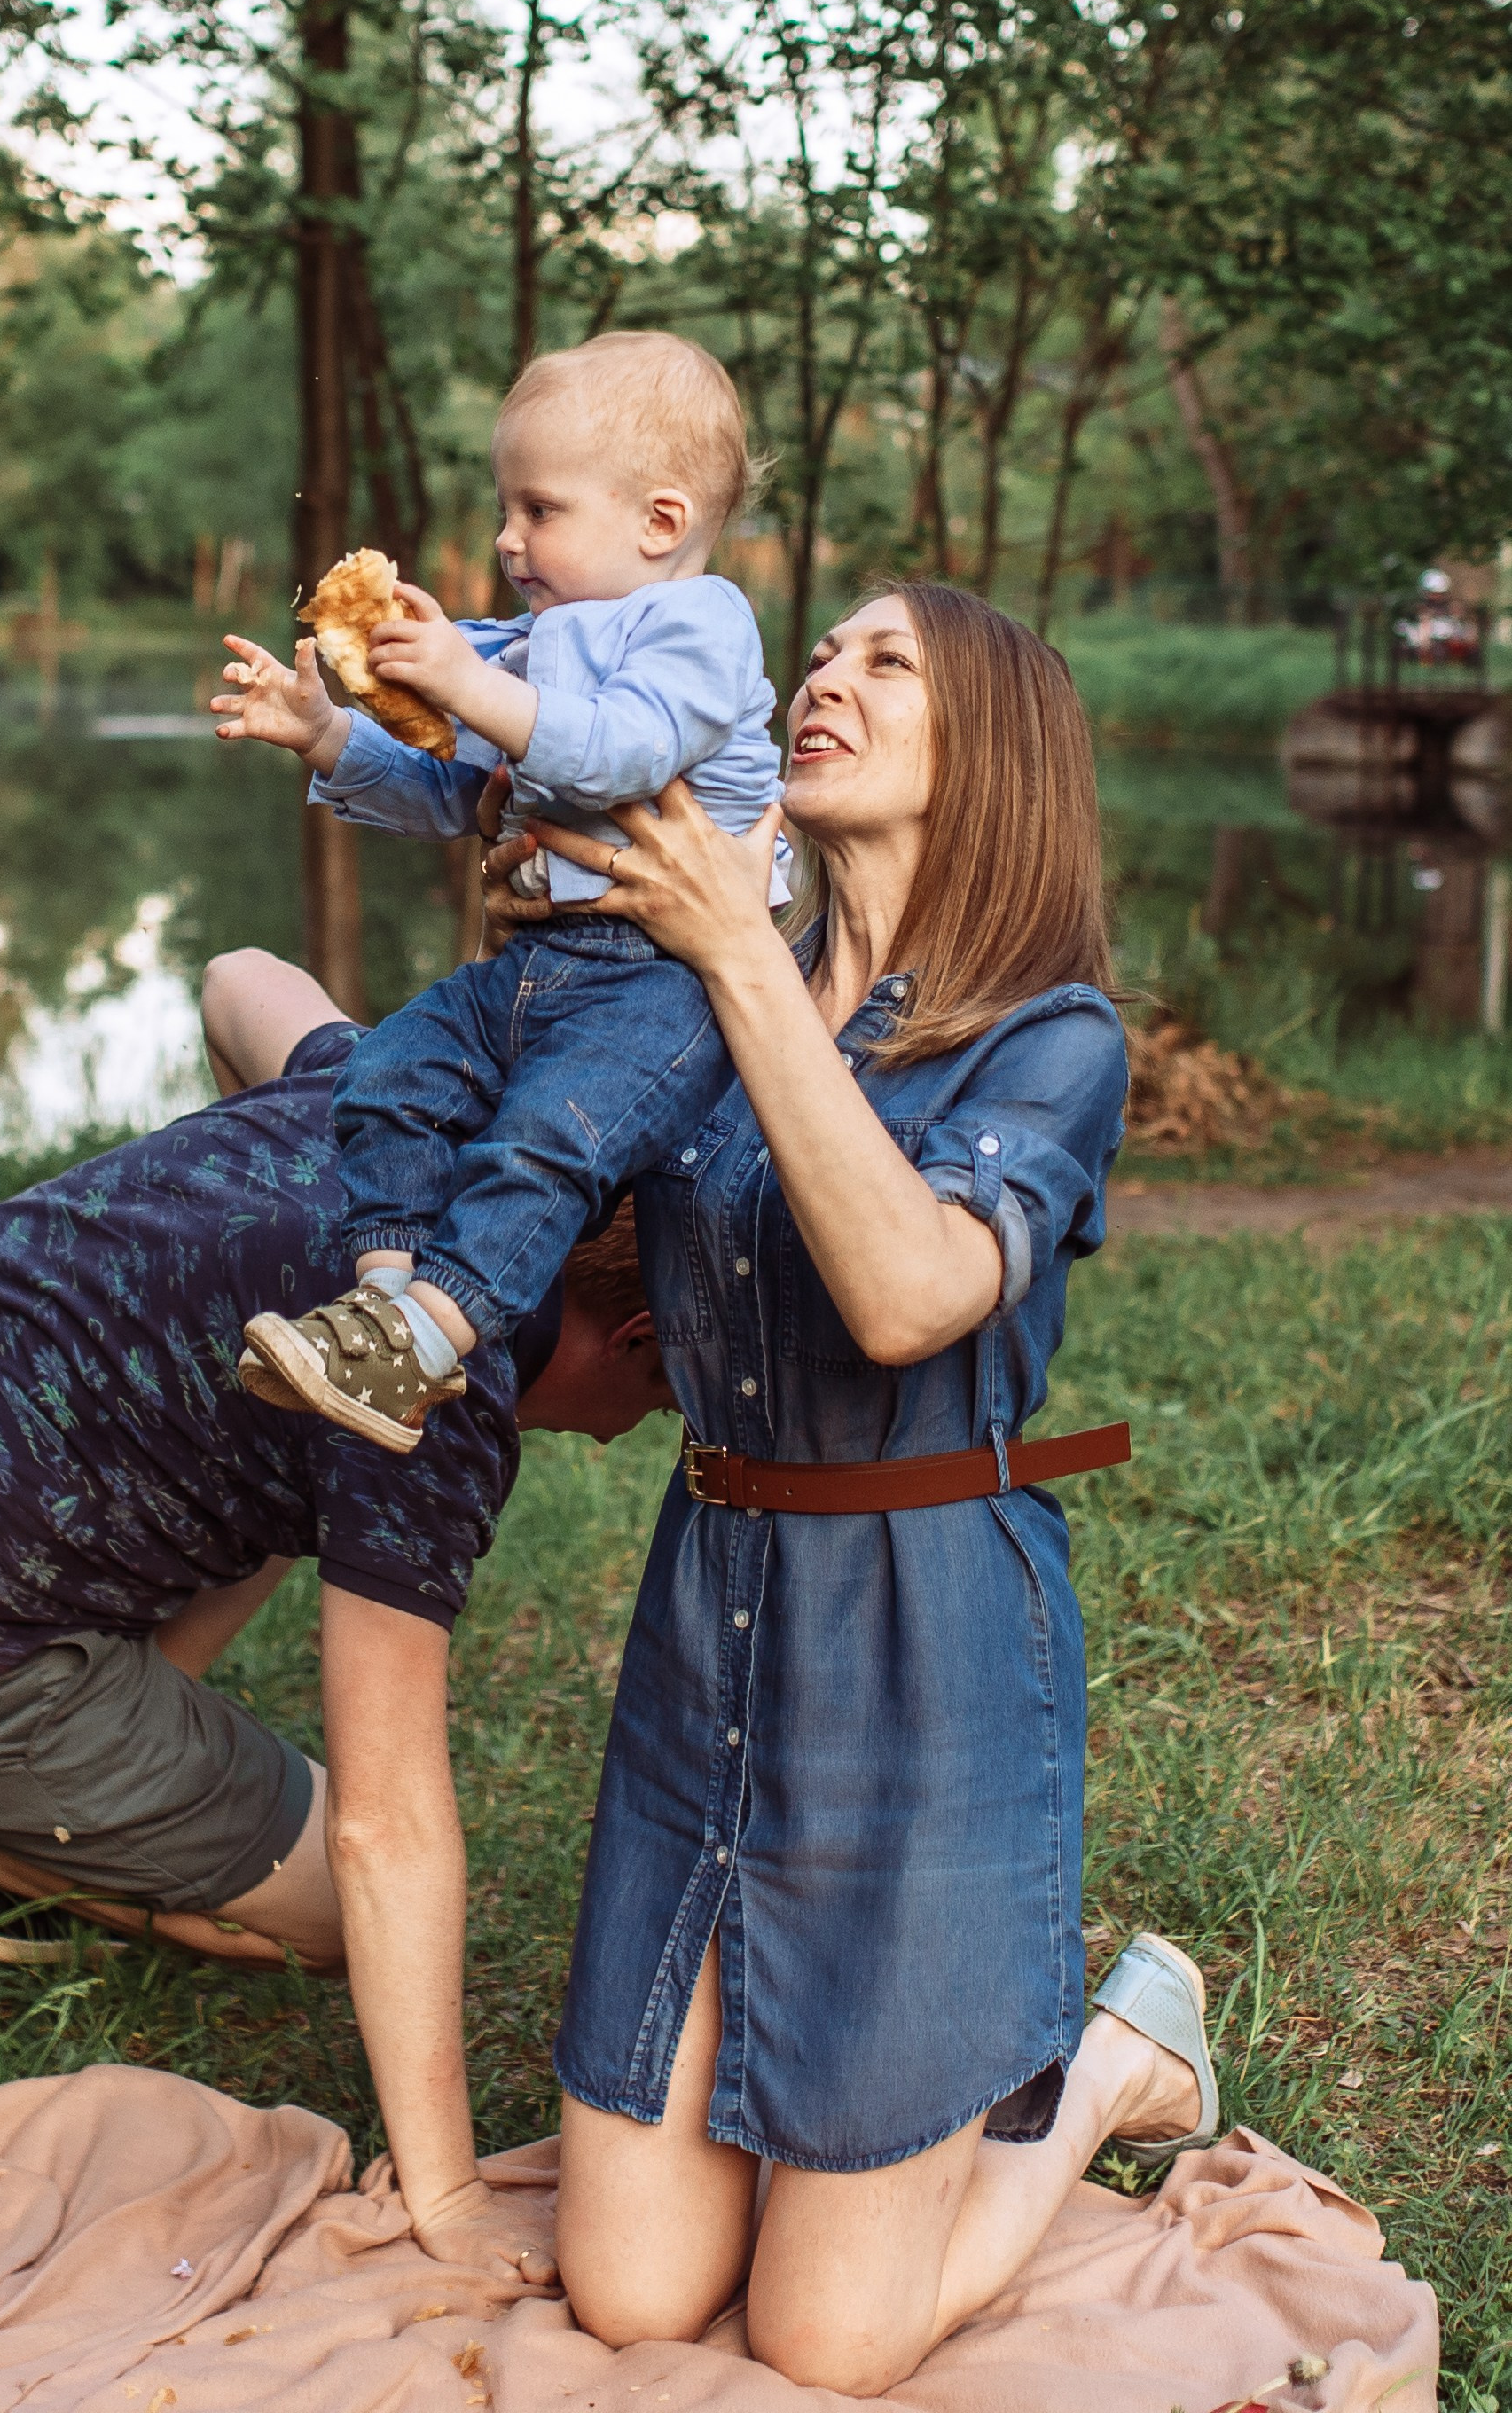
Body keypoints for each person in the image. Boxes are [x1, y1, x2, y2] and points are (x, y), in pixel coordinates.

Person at [0, 943, 670, 2284]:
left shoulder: (401, 1115)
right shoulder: (430, 1394)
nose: (629, 1441)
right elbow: (390, 1827)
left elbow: (239, 976)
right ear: (634, 1342)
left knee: (277, 1434)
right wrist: (443, 2194)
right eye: (663, 1405)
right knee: (335, 1911)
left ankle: (74, 1801)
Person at [518, 581, 1220, 2396]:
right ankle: (820, 2124)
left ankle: (1107, 2070)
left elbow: (910, 1296)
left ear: (988, 751)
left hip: (929, 1655)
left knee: (828, 2343)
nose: (824, 677)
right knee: (633, 2296)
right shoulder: (691, 1003)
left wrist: (741, 957)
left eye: (881, 661)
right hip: (712, 1615)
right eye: (817, 654)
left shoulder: (1047, 1037)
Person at [210, 331, 783, 1453]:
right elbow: (453, 792)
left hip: (657, 985)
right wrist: (328, 736)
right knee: (389, 1076)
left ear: (658, 523)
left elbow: (620, 753)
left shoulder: (700, 625)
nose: (507, 538)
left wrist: (474, 679)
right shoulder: (537, 644)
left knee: (543, 1144)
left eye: (538, 510)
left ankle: (437, 1333)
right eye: (505, 507)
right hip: (533, 965)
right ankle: (377, 1306)